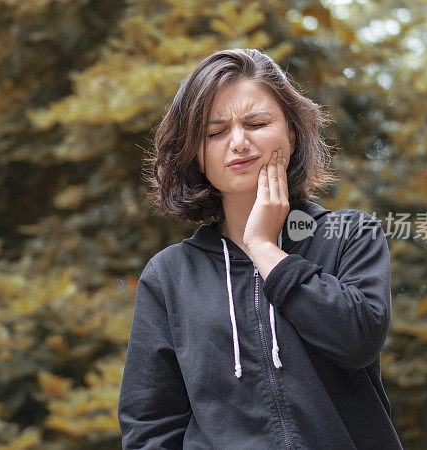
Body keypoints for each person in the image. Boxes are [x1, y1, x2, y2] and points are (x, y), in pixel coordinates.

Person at [117, 48, 403, 449]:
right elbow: (150, 424)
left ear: (291, 132)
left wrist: (264, 248)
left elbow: (358, 339)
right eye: (215, 133)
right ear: (196, 156)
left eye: (256, 123)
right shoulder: (169, 276)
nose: (238, 143)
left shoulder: (350, 234)